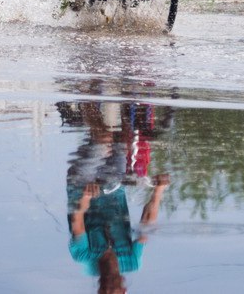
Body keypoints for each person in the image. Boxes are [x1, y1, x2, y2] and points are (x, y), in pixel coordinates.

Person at [65, 100, 169, 293]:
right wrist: (159, 190)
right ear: (124, 290)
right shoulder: (131, 261)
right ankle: (125, 90)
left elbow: (77, 219)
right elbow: (147, 225)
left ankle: (86, 96)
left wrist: (87, 196)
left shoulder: (83, 257)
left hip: (81, 185)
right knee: (125, 136)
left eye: (104, 293)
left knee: (104, 139)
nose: (108, 289)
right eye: (114, 293)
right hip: (113, 184)